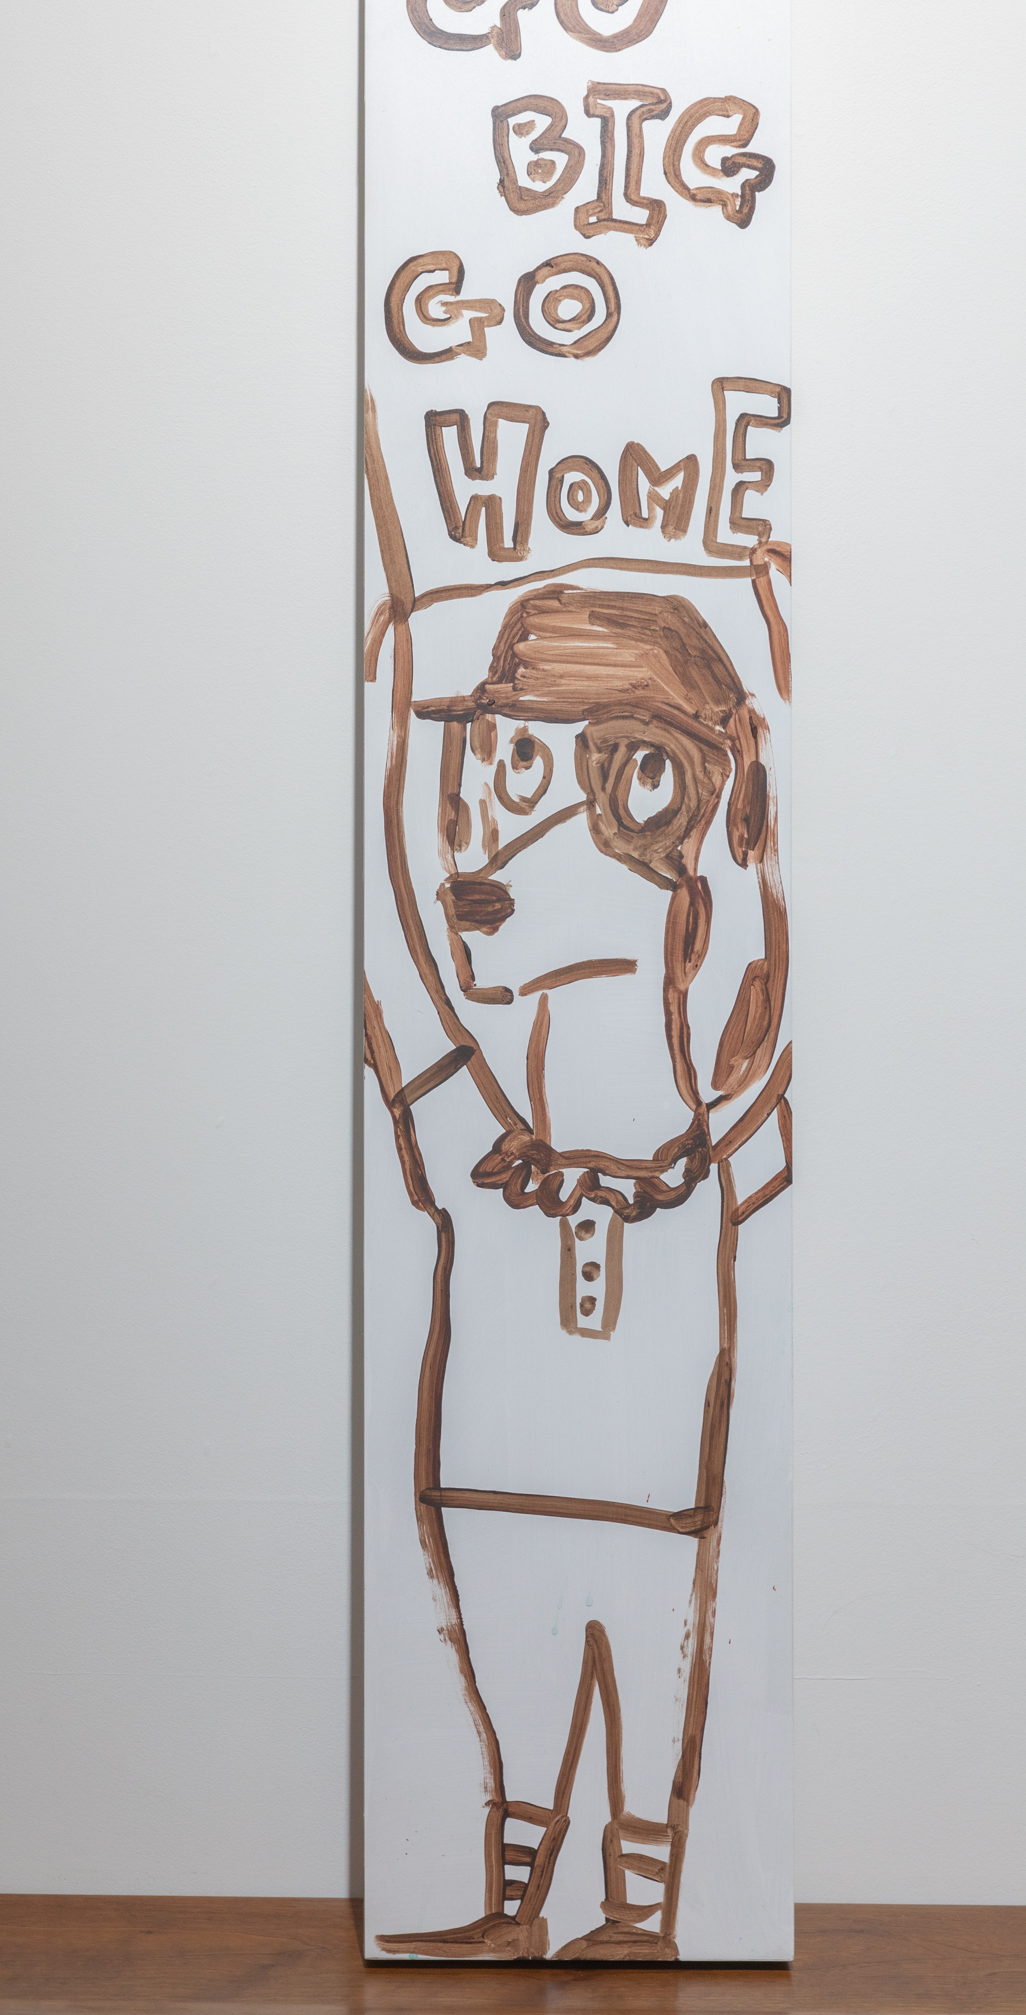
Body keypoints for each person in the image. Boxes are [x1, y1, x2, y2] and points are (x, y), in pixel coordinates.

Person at [363, 440, 792, 1964]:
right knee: (516, 1662)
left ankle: (642, 1911)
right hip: (492, 1482)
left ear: (652, 791)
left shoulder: (713, 1158)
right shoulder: (493, 1155)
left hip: (650, 1496)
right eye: (476, 778)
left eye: (515, 777)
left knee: (648, 1645)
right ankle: (518, 1900)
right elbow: (398, 995)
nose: (469, 838)